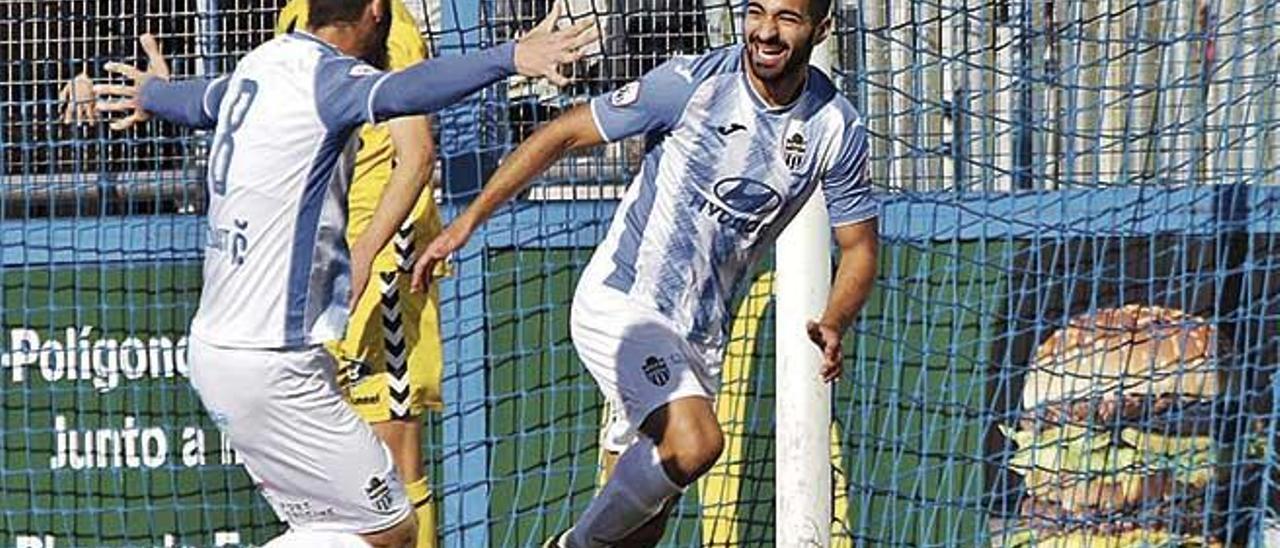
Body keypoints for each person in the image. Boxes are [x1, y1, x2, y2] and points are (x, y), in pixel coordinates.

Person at [90, 1, 595, 546]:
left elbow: (198, 101)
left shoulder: (261, 64)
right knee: (391, 527)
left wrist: (153, 95)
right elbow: (409, 91)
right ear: (375, 10)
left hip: (222, 354)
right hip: (274, 363)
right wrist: (511, 56)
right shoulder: (327, 78)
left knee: (331, 525)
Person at [409, 0, 877, 545]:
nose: (766, 32)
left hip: (698, 338)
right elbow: (562, 133)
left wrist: (836, 320)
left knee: (639, 528)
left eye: (788, 18)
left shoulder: (835, 126)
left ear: (821, 29)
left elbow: (860, 247)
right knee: (697, 443)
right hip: (624, 302)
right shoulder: (690, 85)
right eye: (755, 12)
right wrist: (468, 221)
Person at [278, 2, 446, 547]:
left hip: (380, 257)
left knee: (392, 452)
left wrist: (369, 251)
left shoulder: (386, 26)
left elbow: (416, 155)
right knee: (326, 472)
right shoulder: (291, 20)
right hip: (313, 262)